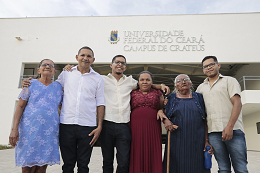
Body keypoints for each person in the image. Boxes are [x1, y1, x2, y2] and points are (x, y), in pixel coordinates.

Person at [63, 55, 170, 173]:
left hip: (124, 125)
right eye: (117, 62)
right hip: (107, 124)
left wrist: (160, 86)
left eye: (123, 63)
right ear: (111, 65)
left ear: (125, 67)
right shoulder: (101, 79)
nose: (120, 64)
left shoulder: (131, 82)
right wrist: (71, 69)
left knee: (124, 161)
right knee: (107, 161)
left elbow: (145, 84)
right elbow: (84, 79)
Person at [22, 46, 105, 173]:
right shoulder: (66, 73)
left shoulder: (98, 78)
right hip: (67, 125)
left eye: (89, 56)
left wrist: (99, 126)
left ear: (93, 60)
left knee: (83, 165)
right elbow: (52, 88)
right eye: (82, 55)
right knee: (68, 165)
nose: (85, 58)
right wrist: (31, 82)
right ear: (77, 57)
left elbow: (100, 103)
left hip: (87, 126)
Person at [9, 59, 63, 173]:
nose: (47, 66)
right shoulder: (30, 84)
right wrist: (14, 130)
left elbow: (62, 107)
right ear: (39, 70)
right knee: (26, 167)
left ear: (54, 72)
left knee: (41, 168)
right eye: (44, 64)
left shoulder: (59, 88)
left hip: (49, 132)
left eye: (51, 65)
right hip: (29, 131)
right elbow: (20, 107)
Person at [196, 56, 248, 173]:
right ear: (203, 70)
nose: (209, 68)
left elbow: (237, 104)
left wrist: (229, 127)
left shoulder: (230, 81)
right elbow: (201, 115)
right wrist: (206, 139)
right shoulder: (200, 88)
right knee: (223, 168)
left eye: (211, 64)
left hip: (234, 130)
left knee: (241, 168)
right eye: (205, 66)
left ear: (218, 65)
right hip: (213, 134)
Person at [160, 74, 213, 173]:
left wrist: (206, 140)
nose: (183, 82)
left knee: (197, 166)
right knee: (176, 166)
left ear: (191, 83)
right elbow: (162, 113)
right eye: (179, 81)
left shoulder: (199, 97)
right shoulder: (171, 97)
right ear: (176, 87)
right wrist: (165, 120)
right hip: (176, 140)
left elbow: (204, 119)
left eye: (186, 80)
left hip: (197, 140)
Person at [129, 71, 164, 173]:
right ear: (138, 82)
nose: (145, 82)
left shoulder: (158, 93)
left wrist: (161, 110)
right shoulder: (132, 92)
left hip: (153, 126)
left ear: (151, 82)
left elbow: (162, 107)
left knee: (152, 150)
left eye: (147, 80)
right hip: (135, 127)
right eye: (142, 80)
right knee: (135, 150)